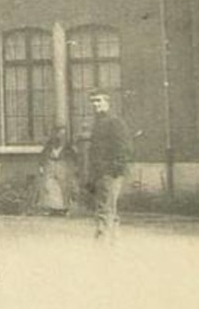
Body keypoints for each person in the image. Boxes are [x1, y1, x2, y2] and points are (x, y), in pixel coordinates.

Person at [86, 90, 132, 242]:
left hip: (110, 172)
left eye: (99, 100)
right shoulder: (98, 123)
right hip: (99, 172)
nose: (95, 104)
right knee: (106, 205)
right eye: (93, 101)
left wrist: (115, 169)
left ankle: (103, 238)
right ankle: (112, 238)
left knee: (106, 206)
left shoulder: (114, 122)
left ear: (108, 102)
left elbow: (124, 148)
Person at [35, 124, 75, 215]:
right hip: (50, 166)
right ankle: (50, 207)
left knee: (63, 186)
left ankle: (64, 207)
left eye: (62, 135)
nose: (60, 137)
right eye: (58, 134)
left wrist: (71, 167)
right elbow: (43, 156)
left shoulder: (68, 148)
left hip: (63, 167)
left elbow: (72, 157)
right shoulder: (49, 147)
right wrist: (41, 166)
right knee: (49, 185)